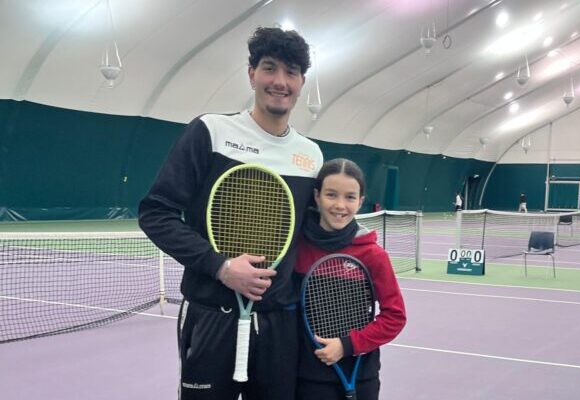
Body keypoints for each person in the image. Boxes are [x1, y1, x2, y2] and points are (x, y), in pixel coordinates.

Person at [138, 27, 323, 400]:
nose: (280, 82)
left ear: (302, 81)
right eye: (269, 69)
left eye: (291, 72)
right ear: (252, 73)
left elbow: (310, 236)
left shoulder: (311, 156)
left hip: (278, 326)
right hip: (210, 316)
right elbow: (155, 213)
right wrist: (221, 268)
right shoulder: (210, 132)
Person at [294, 158, 407, 400]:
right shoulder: (297, 248)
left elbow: (395, 317)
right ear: (317, 196)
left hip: (360, 376)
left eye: (350, 197)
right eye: (331, 195)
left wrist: (347, 345)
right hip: (306, 377)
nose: (340, 205)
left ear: (361, 202)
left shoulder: (373, 255)